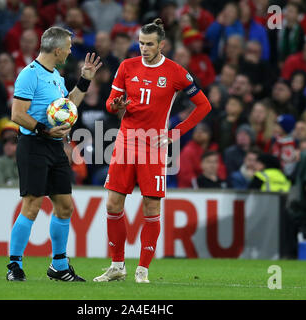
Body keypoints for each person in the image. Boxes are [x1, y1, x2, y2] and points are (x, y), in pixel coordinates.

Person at [95, 19, 211, 283]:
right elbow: (110, 104)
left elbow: (204, 105)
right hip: (125, 142)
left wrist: (176, 133)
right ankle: (117, 266)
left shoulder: (175, 72)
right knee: (113, 204)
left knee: (150, 207)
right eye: (141, 43)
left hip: (153, 146)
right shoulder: (127, 66)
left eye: (149, 44)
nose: (144, 48)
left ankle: (143, 270)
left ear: (161, 45)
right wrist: (117, 104)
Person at [7, 26, 102, 282]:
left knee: (64, 206)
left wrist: (85, 79)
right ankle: (14, 266)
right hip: (34, 146)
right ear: (58, 49)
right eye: (69, 47)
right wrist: (43, 130)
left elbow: (69, 105)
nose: (71, 51)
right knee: (32, 205)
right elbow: (17, 114)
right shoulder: (29, 75)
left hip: (54, 146)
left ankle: (59, 266)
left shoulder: (57, 77)